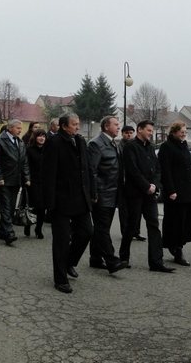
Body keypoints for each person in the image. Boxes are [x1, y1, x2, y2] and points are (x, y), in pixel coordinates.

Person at [42, 113, 94, 294]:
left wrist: (92, 192)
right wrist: (49, 202)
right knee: (62, 240)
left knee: (87, 232)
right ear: (64, 126)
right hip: (61, 199)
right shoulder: (54, 143)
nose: (78, 127)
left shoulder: (80, 141)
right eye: (74, 124)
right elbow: (47, 173)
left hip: (80, 198)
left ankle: (69, 262)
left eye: (78, 124)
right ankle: (60, 279)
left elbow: (87, 168)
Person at [119, 120, 174, 273]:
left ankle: (156, 262)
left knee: (154, 226)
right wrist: (146, 186)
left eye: (151, 131)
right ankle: (123, 257)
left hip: (150, 194)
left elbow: (157, 169)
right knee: (131, 226)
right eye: (149, 130)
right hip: (135, 193)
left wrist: (155, 185)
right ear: (140, 130)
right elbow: (132, 170)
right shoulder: (130, 147)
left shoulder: (150, 148)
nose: (151, 133)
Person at [158, 120, 191, 266]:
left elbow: (190, 167)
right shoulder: (166, 147)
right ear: (174, 132)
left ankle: (177, 243)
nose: (184, 134)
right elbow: (165, 170)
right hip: (176, 191)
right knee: (177, 222)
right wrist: (170, 190)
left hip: (189, 190)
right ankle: (177, 249)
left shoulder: (184, 146)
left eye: (185, 132)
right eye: (182, 132)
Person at [87, 116, 128, 273]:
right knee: (103, 228)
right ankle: (111, 260)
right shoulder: (96, 144)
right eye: (116, 124)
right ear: (106, 127)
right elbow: (92, 170)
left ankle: (95, 258)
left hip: (113, 193)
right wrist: (94, 192)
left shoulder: (113, 143)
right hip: (102, 193)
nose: (119, 127)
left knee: (102, 228)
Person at [0, 119, 31, 246]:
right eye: (18, 128)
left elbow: (24, 161)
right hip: (4, 179)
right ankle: (9, 232)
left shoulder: (20, 142)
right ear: (10, 128)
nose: (20, 130)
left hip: (16, 179)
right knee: (6, 206)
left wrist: (26, 177)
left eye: (21, 128)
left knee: (11, 207)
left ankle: (1, 230)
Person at [118, 125, 145, 241]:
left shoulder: (136, 146)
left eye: (130, 133)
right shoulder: (119, 147)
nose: (129, 135)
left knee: (136, 209)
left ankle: (136, 231)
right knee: (124, 209)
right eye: (126, 133)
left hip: (134, 181)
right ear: (122, 134)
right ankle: (125, 231)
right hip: (122, 180)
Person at [25, 128, 46, 239]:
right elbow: (26, 165)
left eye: (44, 136)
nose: (42, 138)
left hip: (44, 182)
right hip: (33, 181)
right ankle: (28, 224)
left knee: (42, 206)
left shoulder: (47, 150)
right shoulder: (29, 150)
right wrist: (27, 179)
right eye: (39, 136)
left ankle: (39, 228)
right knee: (33, 205)